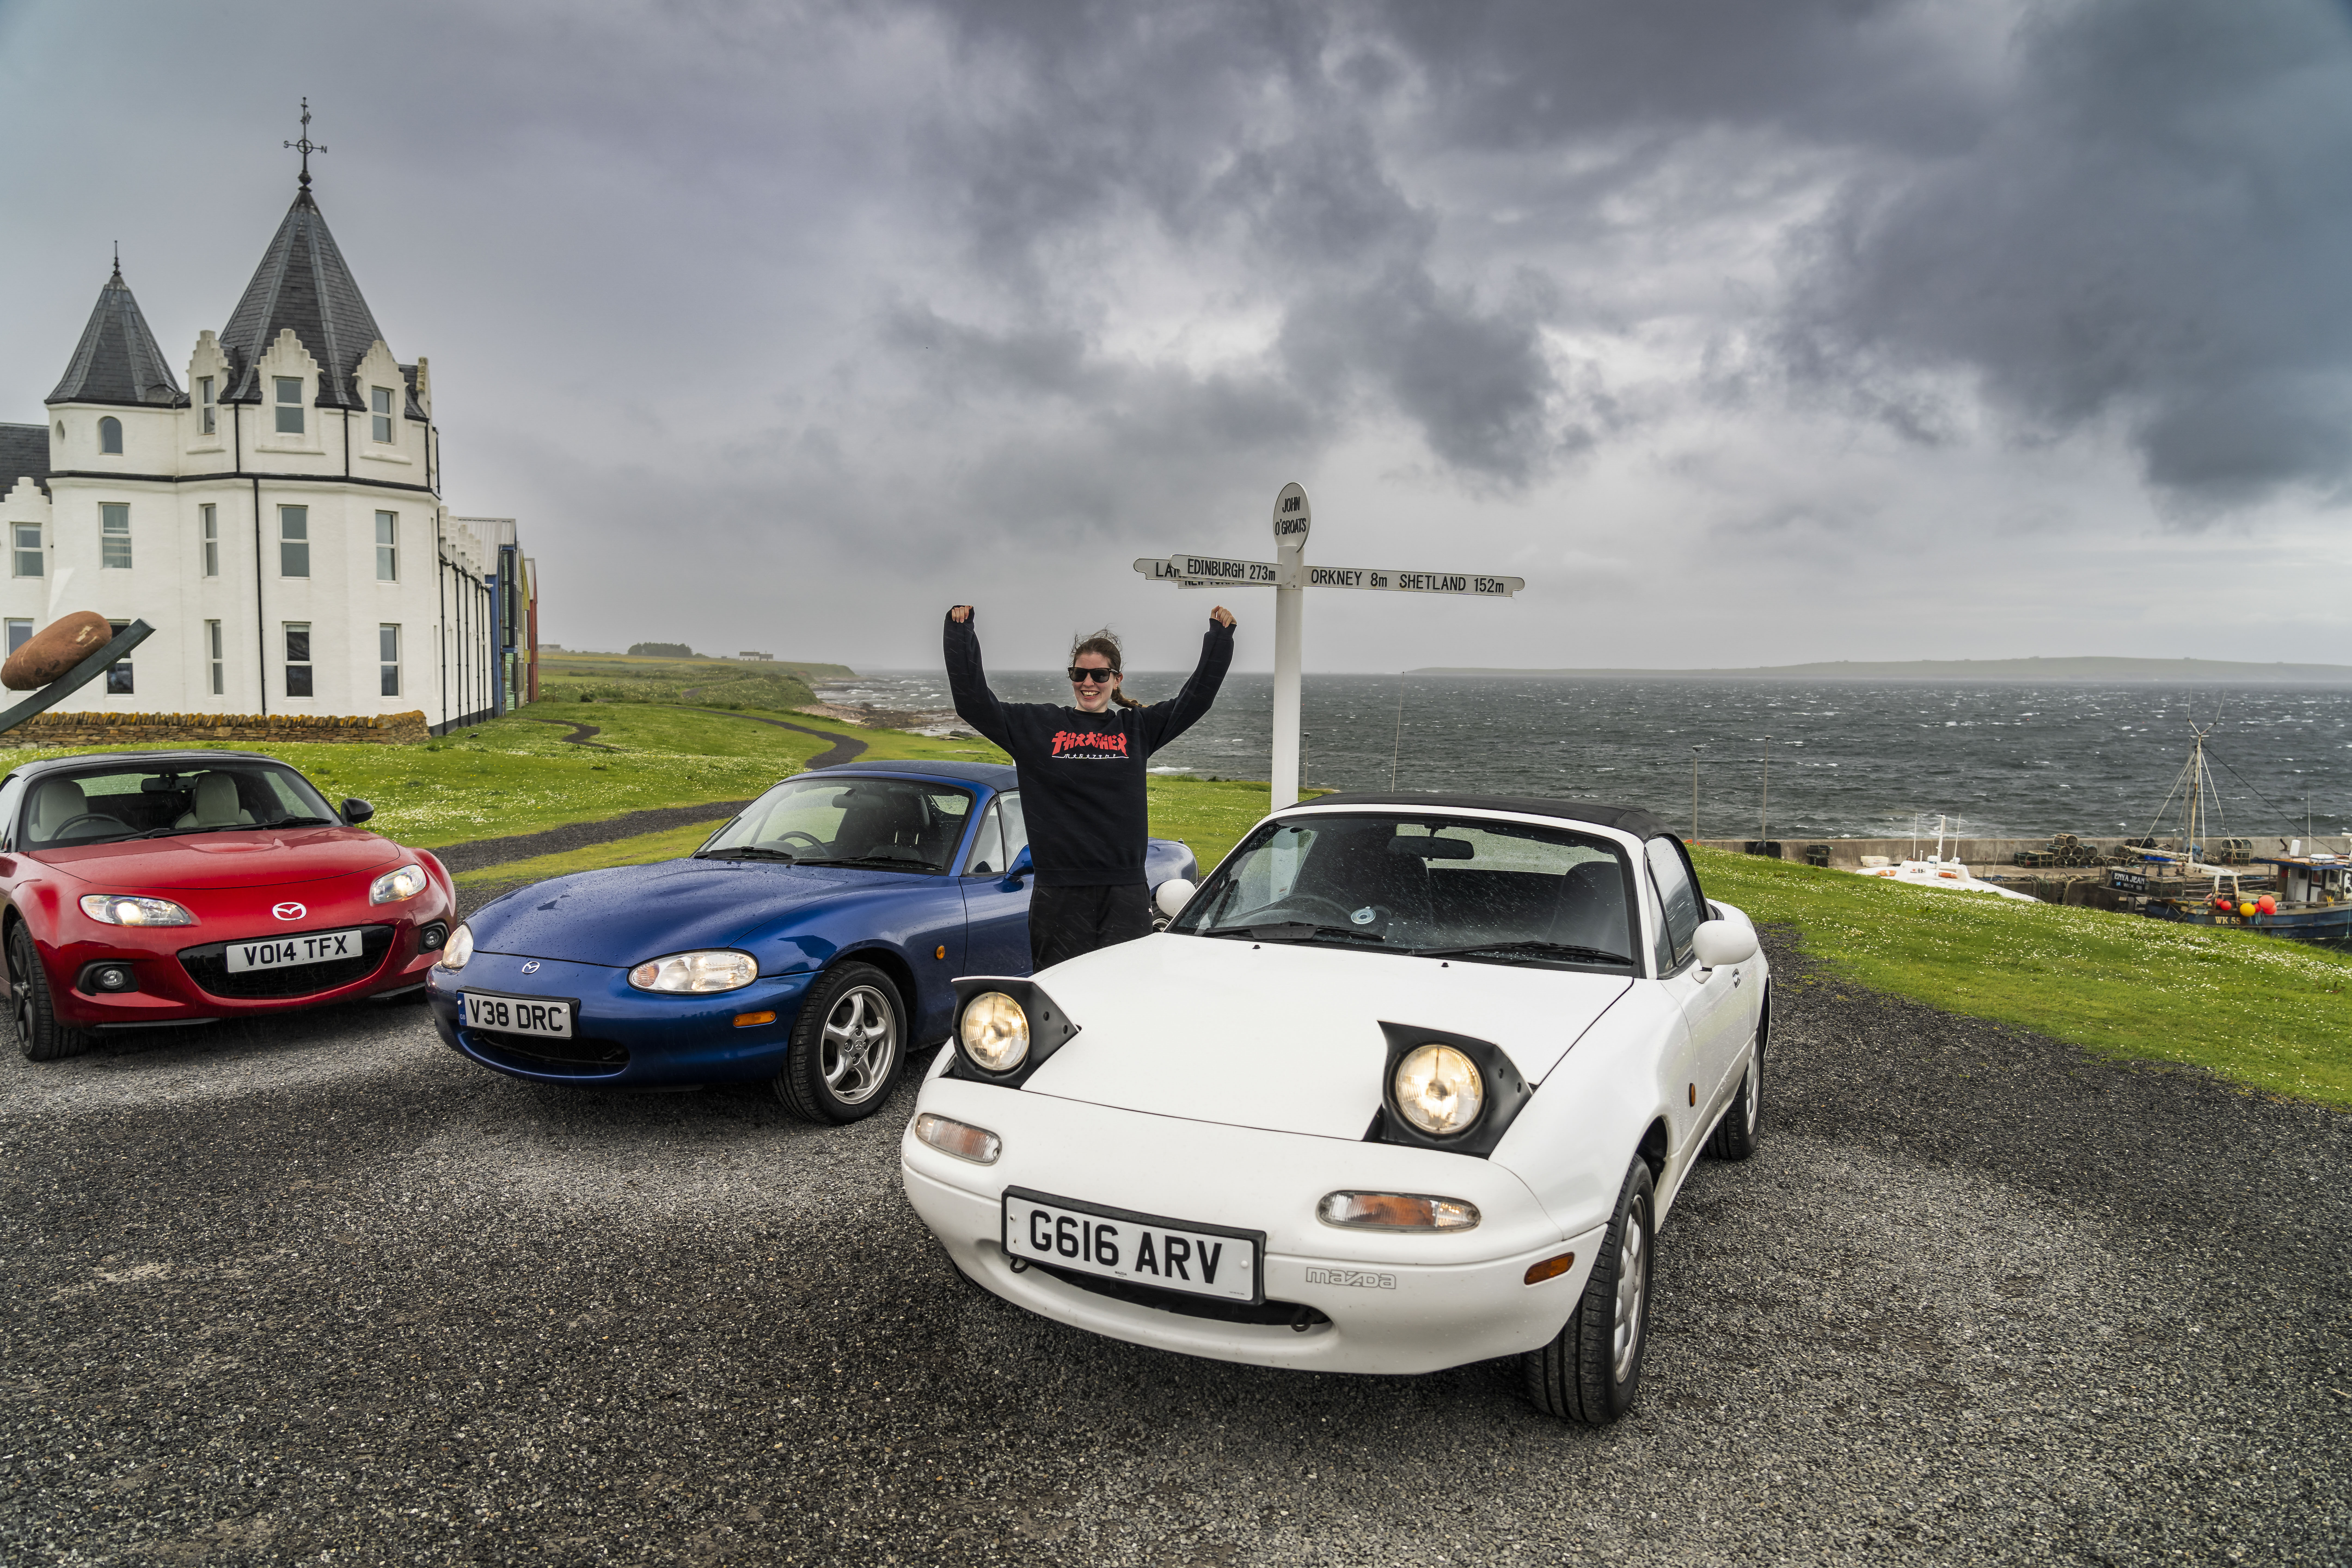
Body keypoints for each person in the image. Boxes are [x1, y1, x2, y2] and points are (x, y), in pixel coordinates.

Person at [945, 602, 1237, 969]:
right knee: (1061, 1001)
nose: (1089, 683)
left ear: (1116, 680)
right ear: (1071, 677)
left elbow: (1196, 700)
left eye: (1100, 676)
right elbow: (973, 703)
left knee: (1126, 996)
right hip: (1059, 896)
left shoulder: (1137, 729)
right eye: (1080, 674)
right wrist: (960, 634)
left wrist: (1219, 639)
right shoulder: (1036, 727)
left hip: (1125, 894)